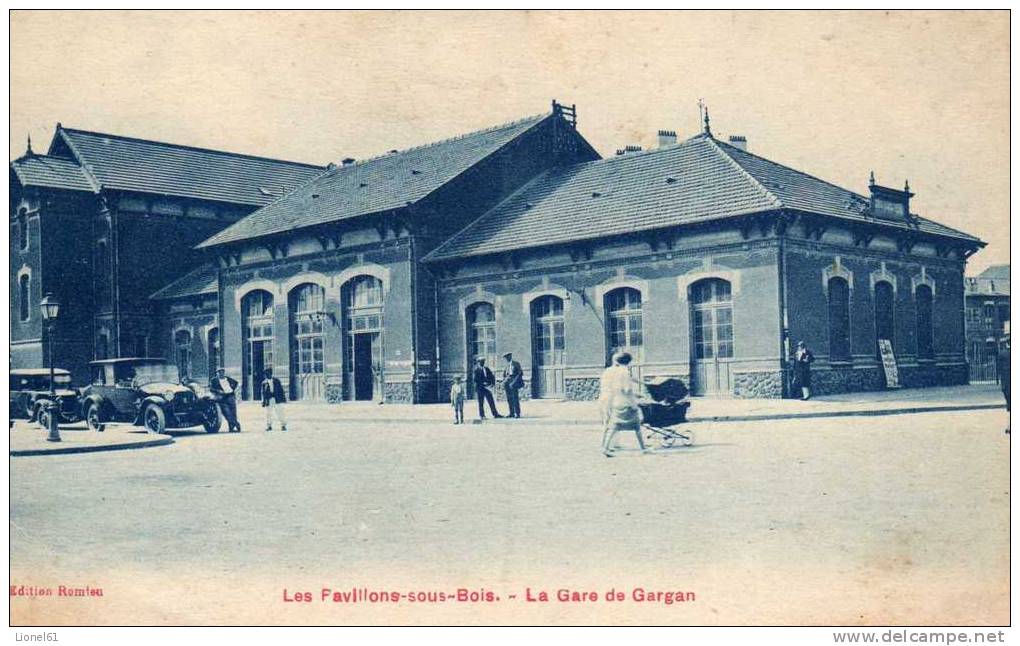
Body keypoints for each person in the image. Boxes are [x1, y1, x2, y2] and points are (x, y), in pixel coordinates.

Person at [598, 351, 646, 457]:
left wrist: (642, 383)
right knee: (610, 423)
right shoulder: (620, 371)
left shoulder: (611, 370)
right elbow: (625, 387)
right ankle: (605, 446)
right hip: (611, 398)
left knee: (611, 423)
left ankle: (610, 445)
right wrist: (636, 394)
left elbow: (630, 379)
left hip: (609, 398)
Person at [209, 368, 242, 433]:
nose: (221, 374)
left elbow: (237, 384)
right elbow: (211, 389)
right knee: (227, 413)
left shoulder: (228, 379)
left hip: (230, 396)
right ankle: (237, 424)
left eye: (222, 372)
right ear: (217, 373)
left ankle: (231, 428)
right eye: (219, 372)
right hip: (222, 398)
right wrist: (218, 391)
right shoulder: (214, 380)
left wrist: (233, 390)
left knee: (233, 412)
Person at [501, 352, 524, 419]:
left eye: (507, 357)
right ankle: (511, 413)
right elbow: (505, 375)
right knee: (509, 399)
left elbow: (520, 373)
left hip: (514, 383)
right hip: (507, 383)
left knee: (515, 398)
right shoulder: (507, 365)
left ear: (510, 356)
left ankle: (517, 413)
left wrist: (513, 382)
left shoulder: (516, 364)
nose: (506, 359)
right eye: (505, 358)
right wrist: (504, 381)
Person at [997, 336, 1010, 434]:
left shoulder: (1002, 354)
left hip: (1007, 385)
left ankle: (1009, 426)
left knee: (1009, 406)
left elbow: (999, 369)